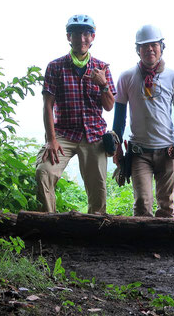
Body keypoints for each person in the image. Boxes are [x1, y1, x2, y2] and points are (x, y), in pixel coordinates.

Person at [35, 14, 116, 214]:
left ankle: (94, 232)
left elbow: (109, 106)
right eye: (77, 34)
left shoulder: (101, 68)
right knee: (44, 172)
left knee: (98, 191)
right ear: (68, 37)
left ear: (93, 37)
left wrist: (103, 84)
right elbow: (48, 105)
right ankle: (50, 224)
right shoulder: (56, 67)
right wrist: (51, 140)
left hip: (94, 135)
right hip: (64, 133)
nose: (82, 39)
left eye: (86, 34)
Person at [112, 25, 174, 218]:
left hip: (167, 151)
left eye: (154, 45)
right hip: (139, 152)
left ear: (162, 46)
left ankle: (164, 246)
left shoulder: (173, 77)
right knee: (142, 204)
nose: (150, 50)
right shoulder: (127, 77)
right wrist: (116, 146)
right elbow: (119, 116)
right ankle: (143, 247)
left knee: (166, 205)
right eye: (144, 46)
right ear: (137, 49)